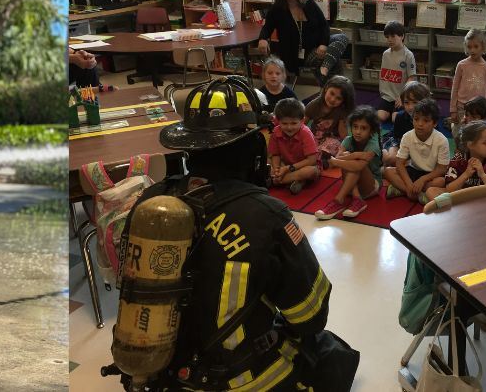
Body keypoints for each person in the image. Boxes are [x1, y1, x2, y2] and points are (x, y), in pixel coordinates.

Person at [138, 76, 348, 390]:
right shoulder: (267, 214)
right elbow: (310, 317)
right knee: (334, 357)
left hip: (162, 373)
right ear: (252, 148)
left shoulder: (151, 202)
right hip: (239, 378)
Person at [256, 0, 350, 79]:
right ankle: (335, 86)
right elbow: (267, 27)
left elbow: (324, 25)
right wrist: (262, 39)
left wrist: (323, 44)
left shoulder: (308, 2)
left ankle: (326, 69)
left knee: (342, 37)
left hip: (319, 46)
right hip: (298, 55)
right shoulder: (276, 10)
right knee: (334, 60)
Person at [316, 106, 384, 220]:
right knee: (350, 160)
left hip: (372, 185)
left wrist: (344, 158)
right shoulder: (348, 139)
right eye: (355, 127)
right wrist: (353, 156)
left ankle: (338, 200)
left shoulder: (373, 143)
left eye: (363, 128)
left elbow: (358, 165)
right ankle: (357, 199)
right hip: (353, 185)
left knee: (354, 162)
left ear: (371, 131)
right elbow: (338, 158)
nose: (358, 131)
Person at [386, 99, 452, 204]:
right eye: (416, 119)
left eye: (426, 121)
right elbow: (399, 163)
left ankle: (401, 190)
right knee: (388, 171)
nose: (420, 124)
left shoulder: (441, 140)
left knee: (441, 181)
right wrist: (408, 185)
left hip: (431, 174)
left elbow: (442, 169)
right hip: (413, 170)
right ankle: (414, 193)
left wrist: (423, 180)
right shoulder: (407, 136)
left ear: (434, 123)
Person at [435, 121, 486, 201]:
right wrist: (466, 174)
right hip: (463, 198)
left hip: (484, 200)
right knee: (431, 191)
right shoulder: (458, 159)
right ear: (470, 145)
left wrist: (482, 175)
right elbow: (449, 189)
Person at [268, 98, 323, 194]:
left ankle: (277, 181)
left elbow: (311, 160)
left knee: (310, 171)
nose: (289, 127)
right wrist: (277, 169)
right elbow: (275, 154)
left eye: (294, 123)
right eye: (284, 123)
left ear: (302, 121)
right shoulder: (276, 132)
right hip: (285, 164)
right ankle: (295, 180)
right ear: (278, 121)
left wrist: (288, 168)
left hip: (305, 165)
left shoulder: (306, 133)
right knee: (268, 163)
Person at [376, 22, 418, 124]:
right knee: (379, 117)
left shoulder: (408, 55)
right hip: (387, 97)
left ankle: (395, 113)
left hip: (400, 97)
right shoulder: (385, 54)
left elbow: (412, 78)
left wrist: (402, 96)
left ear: (402, 36)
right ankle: (390, 112)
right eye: (387, 37)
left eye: (393, 36)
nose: (389, 39)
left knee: (396, 119)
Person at [453, 30, 486, 123]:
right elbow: (455, 88)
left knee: (477, 135)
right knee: (462, 133)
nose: (472, 50)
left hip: (480, 111)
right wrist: (453, 109)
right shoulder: (461, 65)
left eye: (476, 46)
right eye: (469, 47)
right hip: (462, 108)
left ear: (483, 47)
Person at [308, 76, 355, 158]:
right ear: (326, 89)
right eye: (332, 93)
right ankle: (317, 156)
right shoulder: (315, 104)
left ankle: (319, 157)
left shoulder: (341, 111)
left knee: (334, 144)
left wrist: (348, 146)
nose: (333, 99)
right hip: (314, 136)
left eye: (338, 98)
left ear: (344, 101)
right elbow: (302, 122)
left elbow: (343, 134)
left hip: (331, 139)